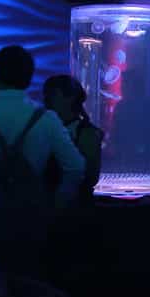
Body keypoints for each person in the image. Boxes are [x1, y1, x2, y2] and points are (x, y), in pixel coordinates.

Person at [0, 45, 85, 283]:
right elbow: (76, 167)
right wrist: (57, 202)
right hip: (30, 215)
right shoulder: (46, 119)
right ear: (29, 78)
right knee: (28, 280)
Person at [43, 75, 103, 203]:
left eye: (52, 94)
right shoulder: (45, 128)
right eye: (46, 94)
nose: (46, 99)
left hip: (75, 206)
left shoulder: (88, 133)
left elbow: (90, 177)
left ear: (70, 98)